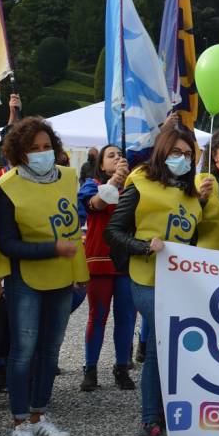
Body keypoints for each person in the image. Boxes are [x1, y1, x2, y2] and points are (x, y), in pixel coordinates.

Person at [0, 117, 89, 436]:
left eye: (47, 147)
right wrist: (51, 249)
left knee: (51, 348)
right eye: (34, 149)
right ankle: (19, 422)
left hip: (62, 277)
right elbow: (7, 244)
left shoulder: (68, 178)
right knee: (23, 351)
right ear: (19, 153)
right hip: (26, 280)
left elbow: (73, 228)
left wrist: (78, 268)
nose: (43, 153)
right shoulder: (6, 187)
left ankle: (38, 413)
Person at [105, 125, 209, 436]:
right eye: (175, 153)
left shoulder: (192, 195)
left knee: (161, 347)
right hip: (146, 277)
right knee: (165, 339)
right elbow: (114, 231)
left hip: (179, 284)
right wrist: (143, 246)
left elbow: (189, 241)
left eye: (188, 154)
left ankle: (162, 414)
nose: (182, 159)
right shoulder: (141, 183)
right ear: (163, 153)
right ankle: (151, 417)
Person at [77, 144, 136, 392]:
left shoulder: (135, 189)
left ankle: (121, 367)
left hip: (127, 261)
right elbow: (96, 205)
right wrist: (113, 181)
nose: (117, 158)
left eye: (120, 155)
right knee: (97, 316)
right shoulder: (91, 184)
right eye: (111, 155)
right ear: (101, 164)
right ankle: (90, 369)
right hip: (100, 260)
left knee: (126, 319)